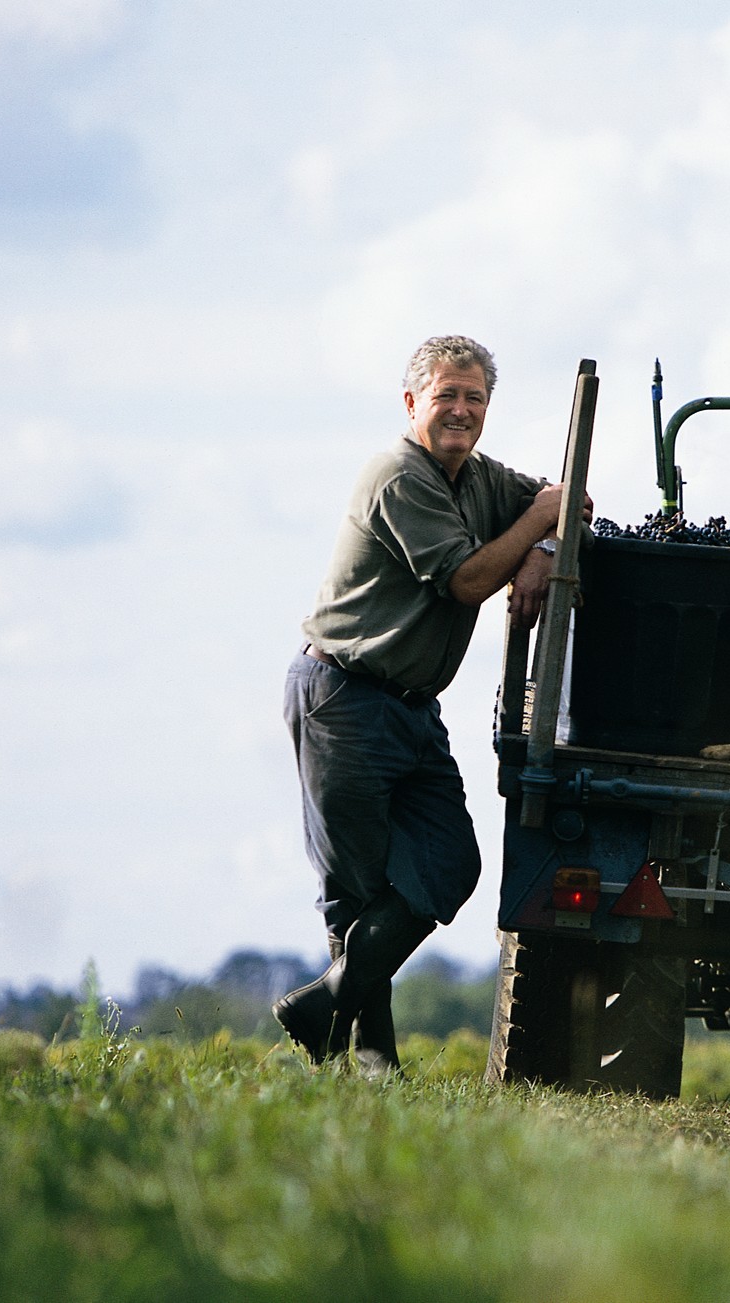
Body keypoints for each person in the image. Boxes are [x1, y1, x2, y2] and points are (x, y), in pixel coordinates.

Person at [277, 335, 581, 1074]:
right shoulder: (397, 475)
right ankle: (375, 1059)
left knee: (452, 862)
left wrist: (543, 550)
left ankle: (326, 1006)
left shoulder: (478, 478)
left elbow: (568, 501)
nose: (462, 410)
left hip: (412, 705)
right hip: (344, 694)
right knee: (356, 886)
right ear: (413, 402)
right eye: (447, 395)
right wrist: (536, 526)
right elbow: (467, 581)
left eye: (475, 398)